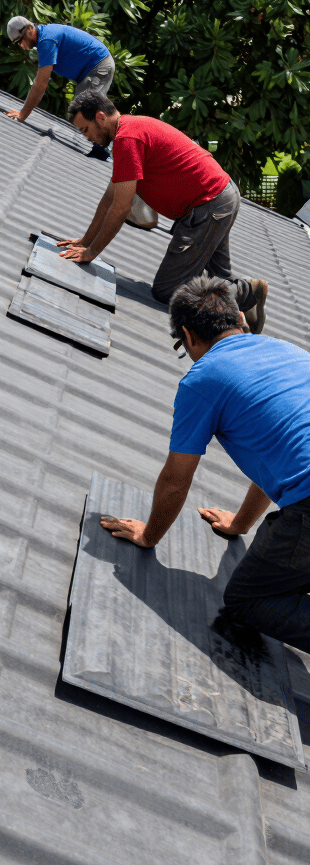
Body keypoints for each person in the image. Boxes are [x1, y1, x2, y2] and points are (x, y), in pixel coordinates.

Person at [101, 275, 310, 654]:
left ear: (189, 335)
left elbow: (176, 480)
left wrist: (149, 536)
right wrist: (240, 524)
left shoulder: (204, 379)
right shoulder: (286, 352)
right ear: (240, 321)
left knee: (247, 601)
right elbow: (277, 456)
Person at [60, 90, 267, 330]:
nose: (87, 138)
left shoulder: (128, 139)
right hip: (219, 197)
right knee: (220, 277)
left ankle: (245, 291)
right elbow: (109, 198)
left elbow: (120, 208)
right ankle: (246, 302)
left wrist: (91, 253)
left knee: (167, 291)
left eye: (86, 130)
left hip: (209, 205)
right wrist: (86, 242)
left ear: (100, 117)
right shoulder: (129, 131)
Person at [5, 17, 115, 155]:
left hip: (99, 65)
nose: (21, 45)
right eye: (17, 43)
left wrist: (22, 114)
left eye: (20, 40)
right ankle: (108, 145)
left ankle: (107, 148)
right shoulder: (44, 38)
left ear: (30, 29)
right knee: (81, 110)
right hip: (90, 70)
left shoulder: (47, 40)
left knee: (86, 108)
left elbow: (40, 85)